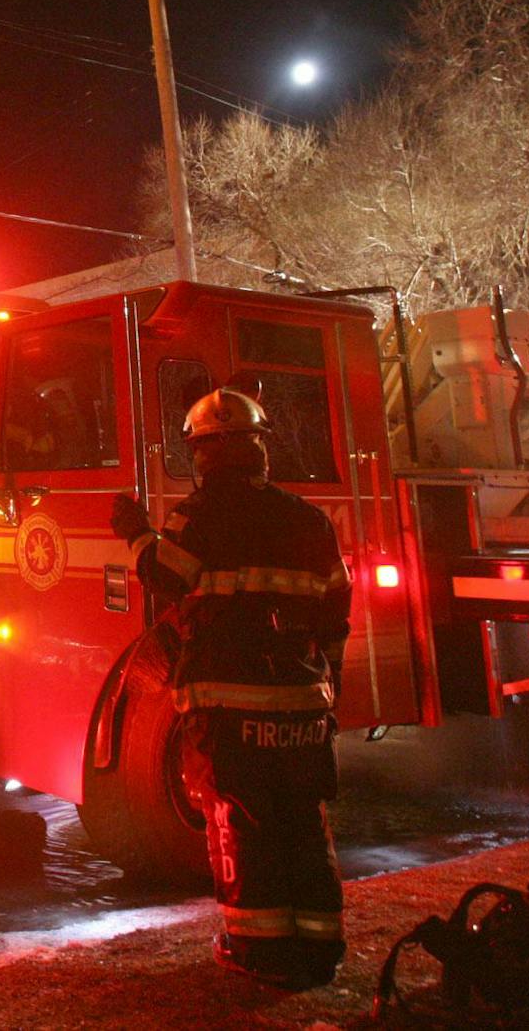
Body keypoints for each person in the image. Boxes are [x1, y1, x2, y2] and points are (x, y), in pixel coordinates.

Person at [122, 387, 353, 989]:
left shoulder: (196, 519)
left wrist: (137, 535)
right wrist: (328, 689)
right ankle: (320, 947)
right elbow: (336, 611)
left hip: (228, 704)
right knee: (303, 821)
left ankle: (259, 950)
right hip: (303, 704)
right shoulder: (309, 520)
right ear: (259, 449)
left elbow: (167, 576)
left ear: (202, 455)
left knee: (242, 823)